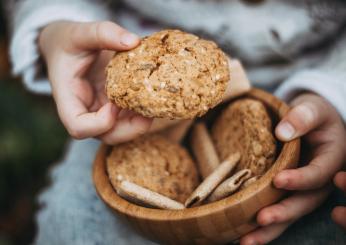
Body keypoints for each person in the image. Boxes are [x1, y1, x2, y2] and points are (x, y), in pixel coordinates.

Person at [5, 0, 346, 244]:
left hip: (315, 89)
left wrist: (333, 91)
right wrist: (57, 28)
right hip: (125, 102)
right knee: (73, 221)